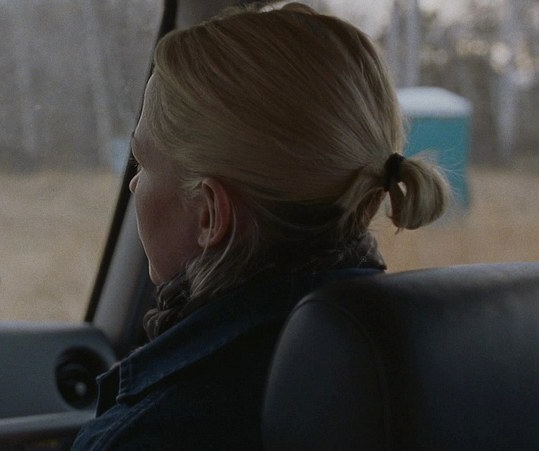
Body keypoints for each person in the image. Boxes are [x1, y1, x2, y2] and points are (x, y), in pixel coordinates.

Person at [73, 2, 449, 449]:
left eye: (143, 163)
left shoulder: (155, 433)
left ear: (210, 214)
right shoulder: (428, 367)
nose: (134, 184)